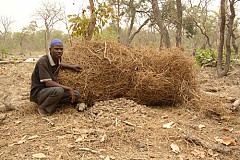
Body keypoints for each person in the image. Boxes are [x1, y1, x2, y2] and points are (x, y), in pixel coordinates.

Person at [30, 39, 82, 116]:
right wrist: (68, 88)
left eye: (61, 49)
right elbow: (48, 83)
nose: (59, 51)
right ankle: (43, 108)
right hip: (39, 93)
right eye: (56, 49)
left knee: (76, 94)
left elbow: (59, 65)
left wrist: (72, 67)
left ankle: (53, 104)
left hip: (49, 92)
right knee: (59, 91)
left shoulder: (56, 59)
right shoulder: (43, 62)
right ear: (50, 49)